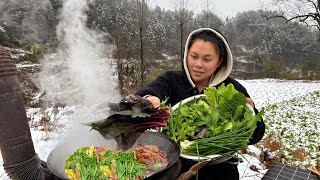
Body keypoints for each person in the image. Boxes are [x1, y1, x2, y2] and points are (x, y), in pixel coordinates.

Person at [136, 28, 265, 180]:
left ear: (219, 61)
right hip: (176, 171)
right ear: (186, 55)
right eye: (194, 56)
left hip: (221, 173)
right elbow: (151, 90)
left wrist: (250, 113)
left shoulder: (232, 90)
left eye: (207, 59)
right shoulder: (172, 80)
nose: (198, 64)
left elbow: (257, 134)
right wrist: (149, 99)